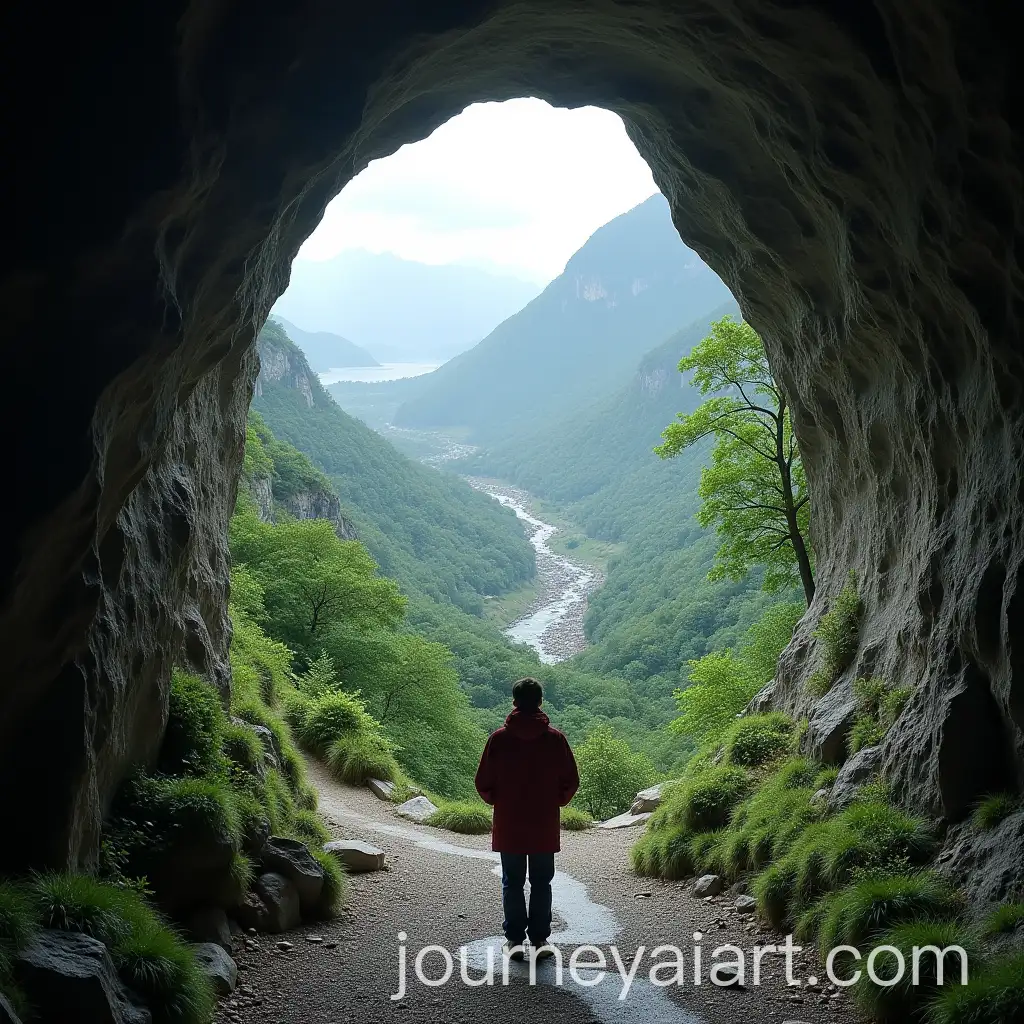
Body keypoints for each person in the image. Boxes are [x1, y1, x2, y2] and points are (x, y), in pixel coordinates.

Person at [474, 676, 580, 962]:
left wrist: (499, 801)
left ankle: (514, 941)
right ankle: (540, 939)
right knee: (542, 882)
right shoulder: (555, 739)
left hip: (509, 823)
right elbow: (571, 781)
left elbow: (483, 782)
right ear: (540, 702)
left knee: (512, 882)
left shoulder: (498, 739)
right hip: (544, 824)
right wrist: (554, 802)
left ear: (514, 702)